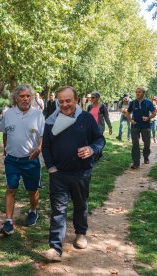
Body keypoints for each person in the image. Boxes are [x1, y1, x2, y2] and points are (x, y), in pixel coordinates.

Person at [40, 86, 105, 262]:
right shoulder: (51, 120)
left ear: (76, 100)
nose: (65, 104)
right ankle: (55, 248)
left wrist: (92, 149)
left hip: (81, 173)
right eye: (61, 101)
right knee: (58, 210)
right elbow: (45, 146)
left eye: (68, 100)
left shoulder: (86, 118)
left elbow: (100, 140)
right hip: (58, 174)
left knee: (80, 204)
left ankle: (81, 233)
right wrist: (51, 167)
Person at [0, 84, 45, 235]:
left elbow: (44, 136)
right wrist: (5, 150)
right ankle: (8, 222)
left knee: (32, 190)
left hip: (30, 160)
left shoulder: (38, 114)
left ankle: (33, 211)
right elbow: (5, 133)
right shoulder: (9, 114)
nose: (25, 99)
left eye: (28, 96)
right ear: (16, 98)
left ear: (31, 98)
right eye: (22, 96)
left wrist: (39, 149)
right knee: (11, 188)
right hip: (12, 160)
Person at [125, 87, 156, 169]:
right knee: (135, 144)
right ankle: (136, 163)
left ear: (143, 93)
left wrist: (148, 118)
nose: (137, 93)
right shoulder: (133, 103)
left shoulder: (148, 102)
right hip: (135, 126)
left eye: (139, 92)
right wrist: (131, 120)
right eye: (136, 92)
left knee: (147, 144)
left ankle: (146, 157)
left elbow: (154, 112)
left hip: (145, 126)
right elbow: (127, 113)